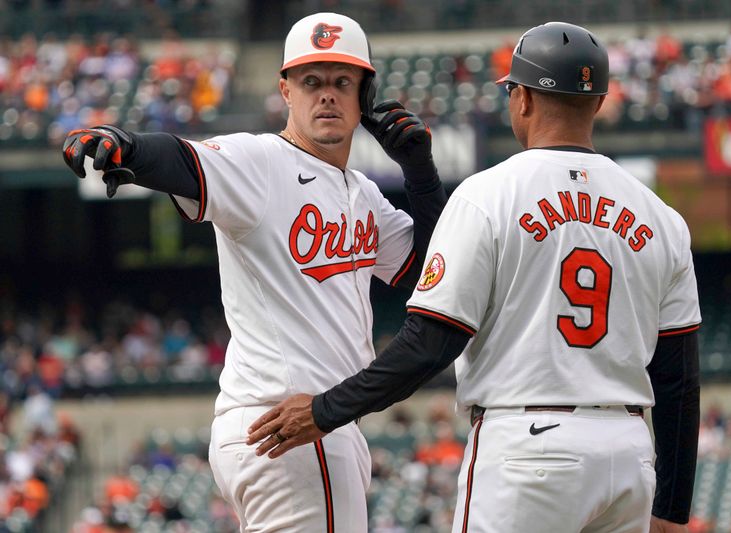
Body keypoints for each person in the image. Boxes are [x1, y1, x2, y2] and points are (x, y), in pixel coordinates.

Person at [249, 22, 701, 533]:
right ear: (597, 103)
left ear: (523, 100)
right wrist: (672, 509)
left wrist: (326, 410)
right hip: (628, 454)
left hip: (526, 449)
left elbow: (429, 344)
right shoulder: (662, 218)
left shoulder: (487, 196)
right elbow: (678, 376)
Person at [61, 12, 447, 532]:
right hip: (291, 424)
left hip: (298, 427)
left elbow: (430, 272)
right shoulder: (261, 161)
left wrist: (420, 174)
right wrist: (127, 145)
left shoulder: (365, 195)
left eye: (342, 82)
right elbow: (183, 158)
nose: (326, 95)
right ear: (286, 90)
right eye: (311, 82)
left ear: (365, 96)